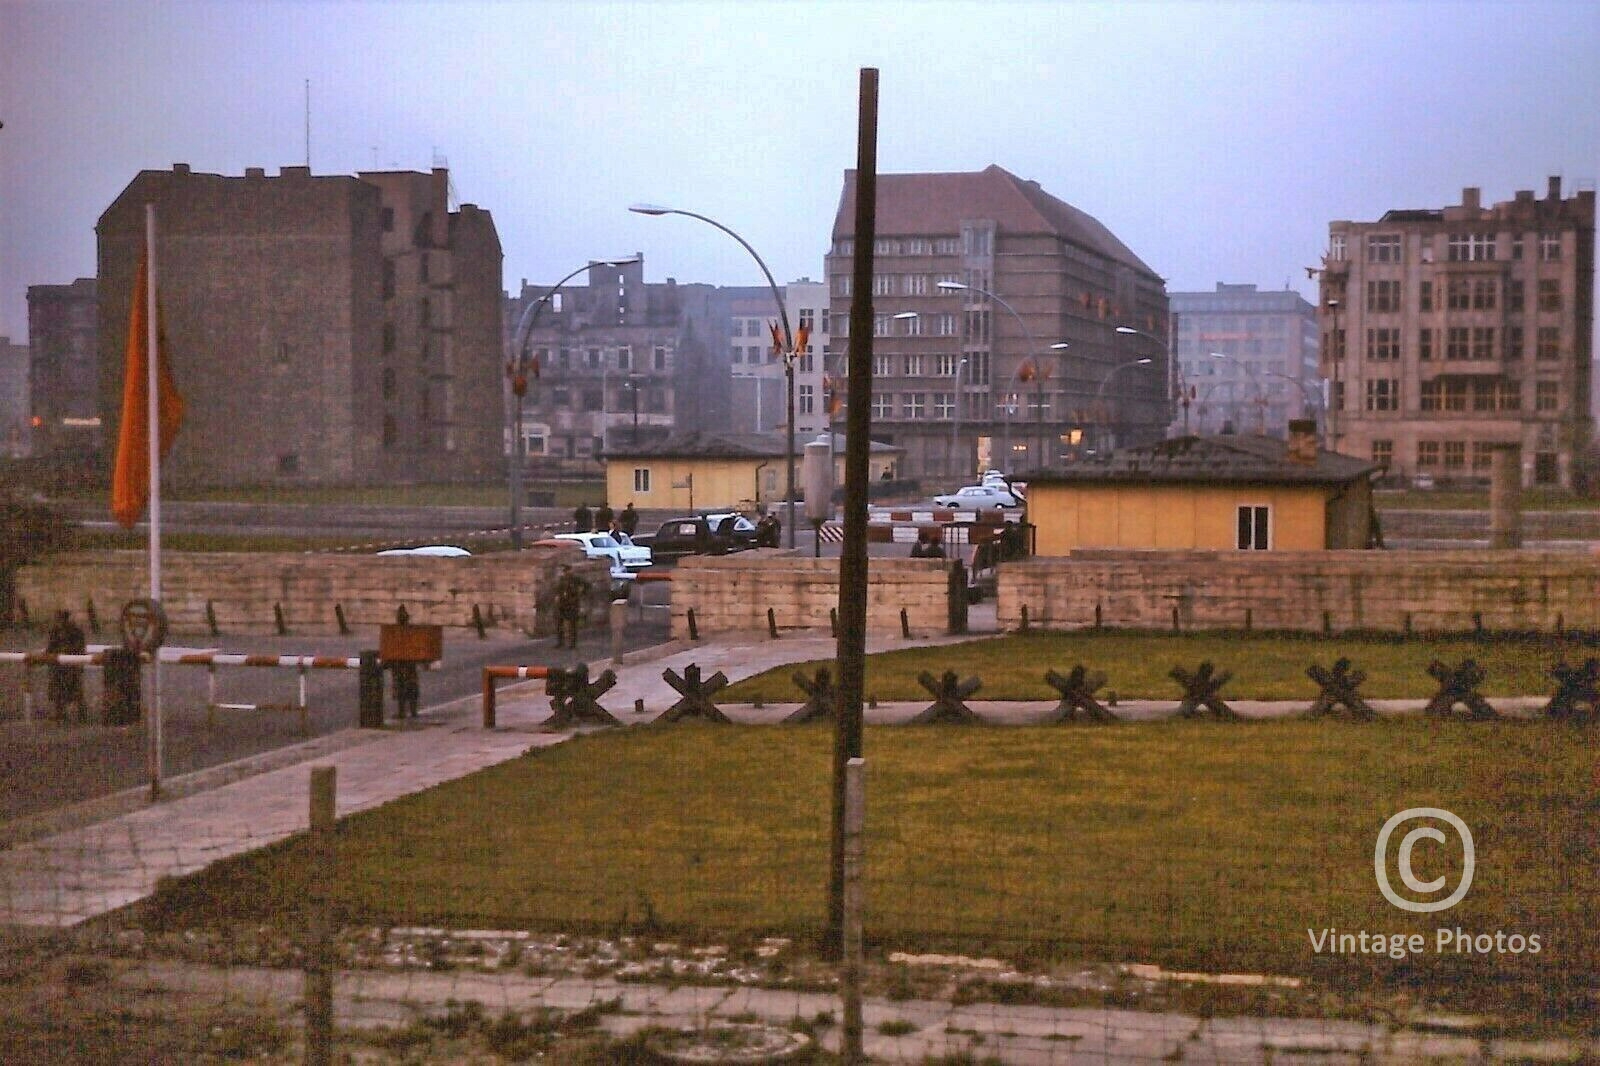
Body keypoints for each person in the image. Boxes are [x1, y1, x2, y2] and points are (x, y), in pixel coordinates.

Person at [45, 609, 89, 724]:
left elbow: (80, 648)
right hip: (58, 666)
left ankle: (81, 714)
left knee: (76, 691)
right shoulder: (55, 631)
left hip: (72, 665)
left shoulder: (76, 632)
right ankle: (60, 713)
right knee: (58, 691)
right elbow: (50, 647)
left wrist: (77, 662)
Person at [554, 563, 591, 648]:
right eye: (563, 571)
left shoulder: (575, 579)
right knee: (559, 623)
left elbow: (587, 585)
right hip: (562, 603)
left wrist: (580, 593)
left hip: (572, 603)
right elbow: (558, 589)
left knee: (572, 624)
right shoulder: (561, 580)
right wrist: (557, 596)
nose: (564, 573)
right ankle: (560, 642)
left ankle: (572, 643)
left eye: (566, 571)